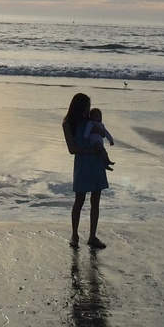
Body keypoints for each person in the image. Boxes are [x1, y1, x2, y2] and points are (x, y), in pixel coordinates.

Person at [62, 92, 108, 249]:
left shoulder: (90, 121)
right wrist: (91, 150)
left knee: (96, 202)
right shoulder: (68, 123)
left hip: (96, 163)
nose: (89, 109)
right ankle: (74, 235)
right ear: (79, 106)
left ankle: (92, 236)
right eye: (86, 106)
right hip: (83, 163)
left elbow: (100, 137)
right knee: (79, 201)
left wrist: (103, 155)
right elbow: (72, 149)